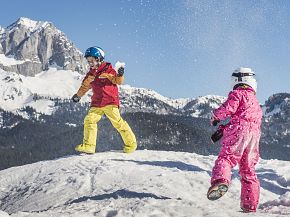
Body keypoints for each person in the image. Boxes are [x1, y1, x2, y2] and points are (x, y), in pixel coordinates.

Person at [207, 67, 263, 213]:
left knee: (226, 158)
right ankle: (249, 205)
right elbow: (245, 122)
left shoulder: (238, 94)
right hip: (254, 136)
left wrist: (216, 117)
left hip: (238, 132)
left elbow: (229, 109)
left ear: (237, 80)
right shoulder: (256, 102)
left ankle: (221, 181)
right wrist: (223, 130)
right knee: (248, 170)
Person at [71, 46, 137, 154]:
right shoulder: (90, 75)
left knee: (118, 123)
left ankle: (131, 144)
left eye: (92, 61)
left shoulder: (109, 70)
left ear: (99, 59)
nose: (90, 63)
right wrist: (78, 95)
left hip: (110, 101)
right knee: (89, 120)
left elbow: (118, 81)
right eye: (88, 61)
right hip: (96, 103)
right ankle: (89, 146)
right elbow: (85, 86)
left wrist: (120, 74)